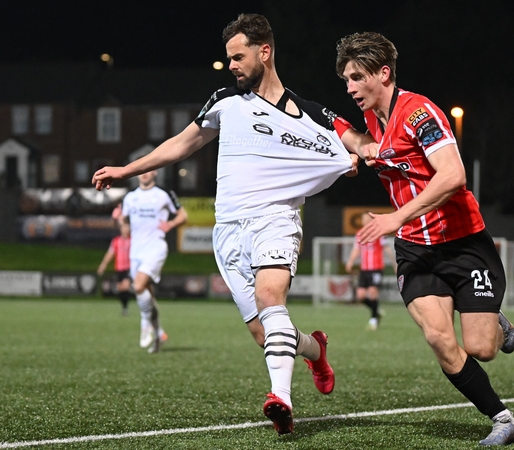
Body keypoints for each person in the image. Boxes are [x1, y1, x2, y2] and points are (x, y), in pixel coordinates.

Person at [94, 14, 374, 435]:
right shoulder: (226, 100)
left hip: (276, 219)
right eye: (228, 58)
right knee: (265, 336)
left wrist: (359, 154)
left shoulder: (312, 113)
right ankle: (316, 349)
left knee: (270, 296)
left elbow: (358, 140)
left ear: (265, 52)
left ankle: (281, 398)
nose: (231, 65)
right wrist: (127, 170)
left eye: (238, 56)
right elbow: (182, 144)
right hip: (228, 231)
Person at [336, 32, 514, 446]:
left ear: (383, 73)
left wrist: (394, 218)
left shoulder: (419, 112)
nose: (349, 88)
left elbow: (454, 176)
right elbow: (353, 142)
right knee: (438, 337)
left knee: (481, 347)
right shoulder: (368, 122)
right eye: (345, 79)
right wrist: (348, 159)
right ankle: (503, 419)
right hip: (415, 250)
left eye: (356, 77)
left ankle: (495, 322)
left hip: (463, 242)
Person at [119, 170, 185, 354]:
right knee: (147, 295)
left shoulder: (163, 194)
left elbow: (183, 215)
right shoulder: (130, 197)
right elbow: (123, 220)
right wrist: (121, 224)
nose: (144, 174)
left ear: (155, 172)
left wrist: (171, 224)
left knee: (138, 286)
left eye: (148, 170)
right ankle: (157, 337)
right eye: (141, 171)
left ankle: (145, 323)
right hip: (136, 251)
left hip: (155, 248)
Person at [345, 213, 396, 330]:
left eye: (367, 218)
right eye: (363, 219)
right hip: (364, 269)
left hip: (376, 268)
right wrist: (350, 262)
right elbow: (356, 249)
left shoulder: (378, 232)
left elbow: (387, 248)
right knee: (360, 296)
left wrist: (394, 264)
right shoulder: (359, 234)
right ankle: (376, 310)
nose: (365, 220)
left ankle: (373, 320)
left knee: (373, 293)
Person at [97, 220, 133, 316]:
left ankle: (128, 306)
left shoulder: (132, 241)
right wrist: (103, 265)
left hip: (129, 268)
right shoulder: (116, 241)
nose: (125, 229)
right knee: (120, 288)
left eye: (127, 227)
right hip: (119, 268)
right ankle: (125, 307)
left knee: (125, 286)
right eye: (123, 227)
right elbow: (110, 254)